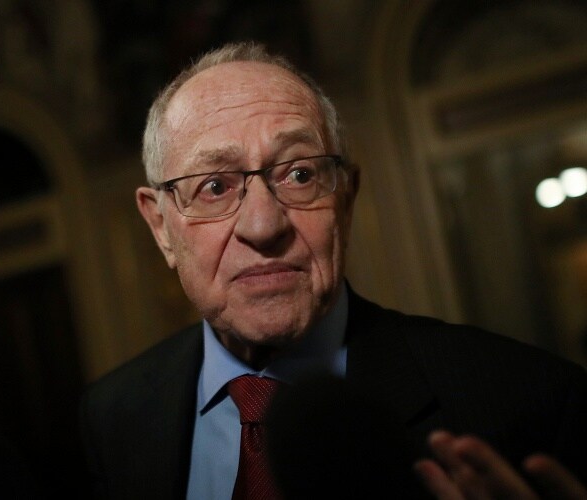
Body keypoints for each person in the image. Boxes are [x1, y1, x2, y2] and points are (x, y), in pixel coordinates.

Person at [80, 41, 587, 499]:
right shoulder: (111, 421)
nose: (263, 225)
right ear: (161, 227)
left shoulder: (532, 401)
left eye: (299, 174)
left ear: (345, 201)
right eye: (215, 186)